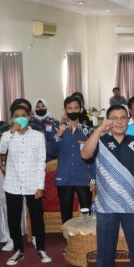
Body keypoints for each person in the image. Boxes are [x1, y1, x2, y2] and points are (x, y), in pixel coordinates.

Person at [81, 104, 134, 267]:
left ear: (128, 120)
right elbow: (85, 154)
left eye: (123, 118)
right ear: (108, 120)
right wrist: (99, 130)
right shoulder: (100, 141)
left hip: (133, 204)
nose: (119, 122)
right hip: (106, 205)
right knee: (105, 247)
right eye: (114, 118)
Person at [0, 103, 52, 266]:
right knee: (13, 218)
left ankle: (41, 249)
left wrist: (40, 186)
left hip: (33, 183)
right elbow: (0, 150)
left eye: (23, 115)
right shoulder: (7, 135)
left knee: (37, 217)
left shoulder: (38, 136)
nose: (20, 118)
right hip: (12, 184)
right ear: (12, 118)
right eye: (16, 116)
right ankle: (18, 250)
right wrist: (11, 131)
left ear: (29, 117)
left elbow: (41, 161)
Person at [48, 96, 94, 226]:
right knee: (66, 213)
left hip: (83, 178)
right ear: (65, 110)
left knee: (86, 213)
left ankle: (86, 237)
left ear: (81, 109)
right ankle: (68, 238)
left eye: (75, 108)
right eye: (69, 108)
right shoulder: (58, 129)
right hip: (64, 178)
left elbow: (93, 156)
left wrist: (93, 178)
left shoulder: (87, 131)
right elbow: (51, 152)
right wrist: (59, 134)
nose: (72, 110)